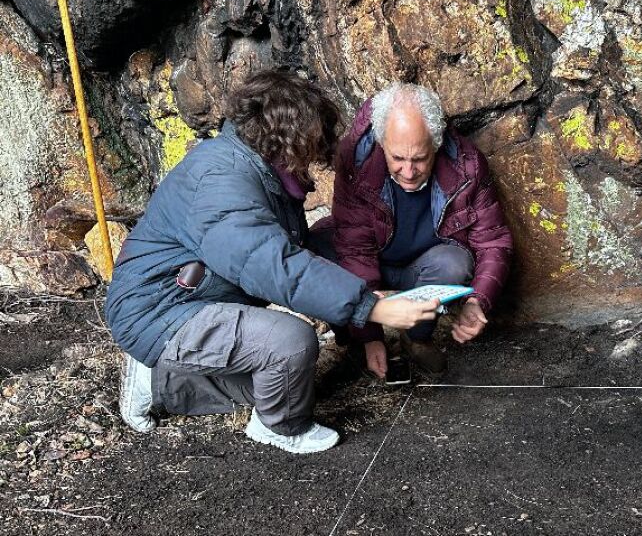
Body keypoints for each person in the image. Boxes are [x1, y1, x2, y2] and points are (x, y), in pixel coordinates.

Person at [106, 70, 439, 454]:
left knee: (285, 380)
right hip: (158, 309)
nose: (315, 156)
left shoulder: (261, 169)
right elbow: (270, 264)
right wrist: (371, 308)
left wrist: (362, 309)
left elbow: (294, 253)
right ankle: (279, 428)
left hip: (198, 296)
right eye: (312, 144)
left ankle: (158, 382)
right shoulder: (221, 178)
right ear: (290, 137)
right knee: (291, 344)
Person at [312, 83, 513, 380]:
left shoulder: (466, 164)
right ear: (381, 143)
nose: (408, 171)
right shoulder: (355, 158)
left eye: (419, 159)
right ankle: (354, 341)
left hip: (424, 265)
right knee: (319, 250)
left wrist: (478, 301)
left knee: (454, 263)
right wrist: (371, 336)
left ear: (436, 142)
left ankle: (416, 336)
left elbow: (493, 241)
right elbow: (355, 249)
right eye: (397, 159)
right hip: (373, 255)